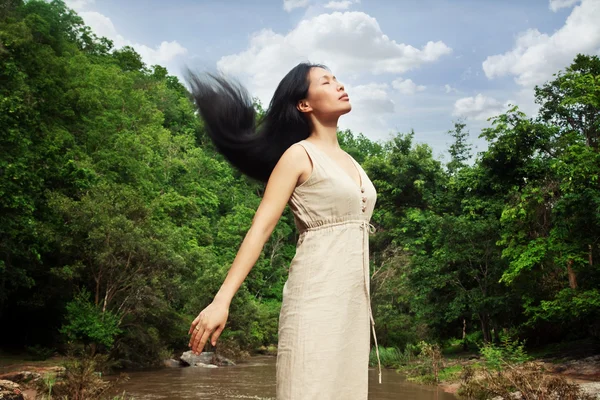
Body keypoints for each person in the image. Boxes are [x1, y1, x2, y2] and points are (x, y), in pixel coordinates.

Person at [186, 62, 382, 400]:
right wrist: (222, 300)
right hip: (315, 301)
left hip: (351, 311)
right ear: (304, 105)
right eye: (326, 81)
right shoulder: (298, 155)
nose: (338, 84)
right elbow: (260, 230)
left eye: (336, 78)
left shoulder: (352, 162)